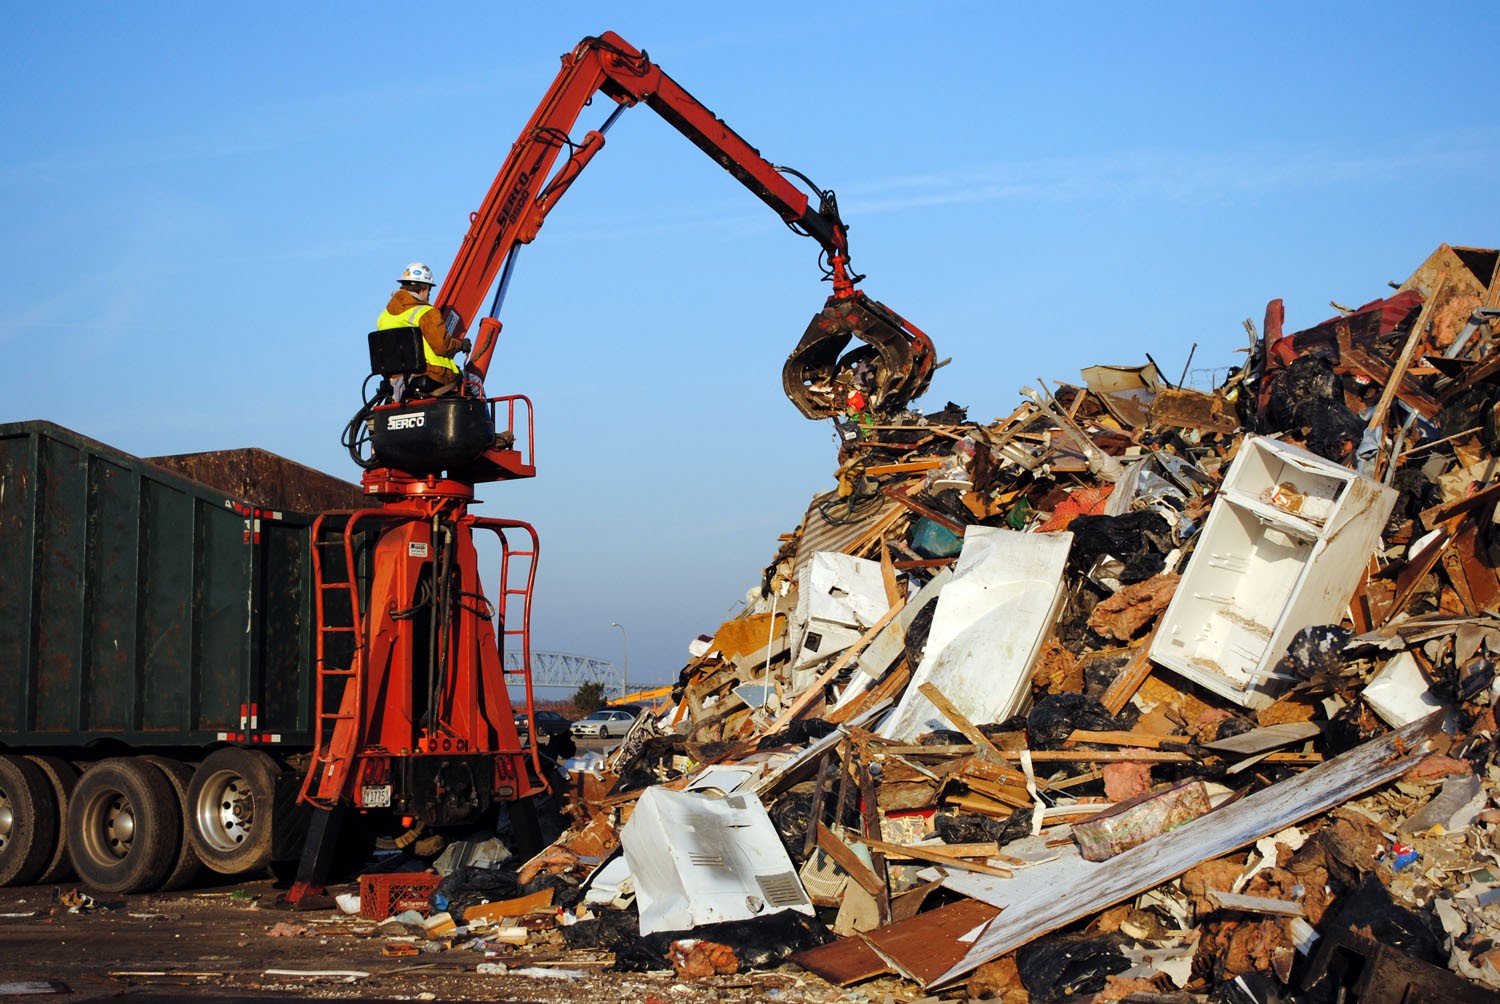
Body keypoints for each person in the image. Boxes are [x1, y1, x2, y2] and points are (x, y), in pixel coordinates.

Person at [376, 262, 470, 395]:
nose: (429, 296)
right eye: (429, 291)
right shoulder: (427, 312)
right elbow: (442, 346)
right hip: (434, 374)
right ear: (423, 290)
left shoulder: (383, 317)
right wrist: (461, 345)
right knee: (474, 382)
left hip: (395, 380)